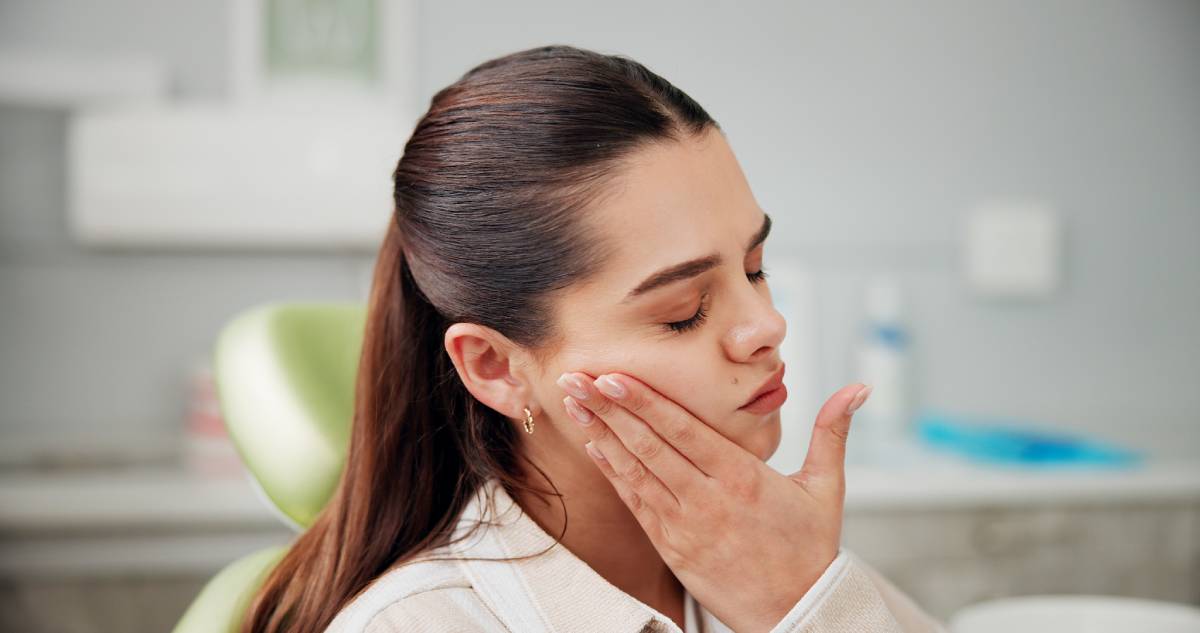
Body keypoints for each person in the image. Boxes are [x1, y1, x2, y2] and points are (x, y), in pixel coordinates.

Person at [242, 44, 947, 633]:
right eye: (684, 311)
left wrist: (804, 599)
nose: (768, 326)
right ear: (496, 367)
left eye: (755, 268)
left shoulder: (769, 555)